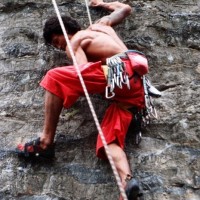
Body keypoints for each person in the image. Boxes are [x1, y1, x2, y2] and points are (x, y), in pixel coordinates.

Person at [16, 0, 150, 199]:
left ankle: (45, 142)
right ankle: (126, 182)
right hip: (136, 86)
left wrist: (72, 76)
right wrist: (102, 3)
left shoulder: (75, 41)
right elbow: (125, 9)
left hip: (119, 72)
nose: (59, 48)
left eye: (55, 42)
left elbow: (83, 72)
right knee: (107, 141)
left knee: (54, 77)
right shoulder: (102, 26)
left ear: (63, 32)